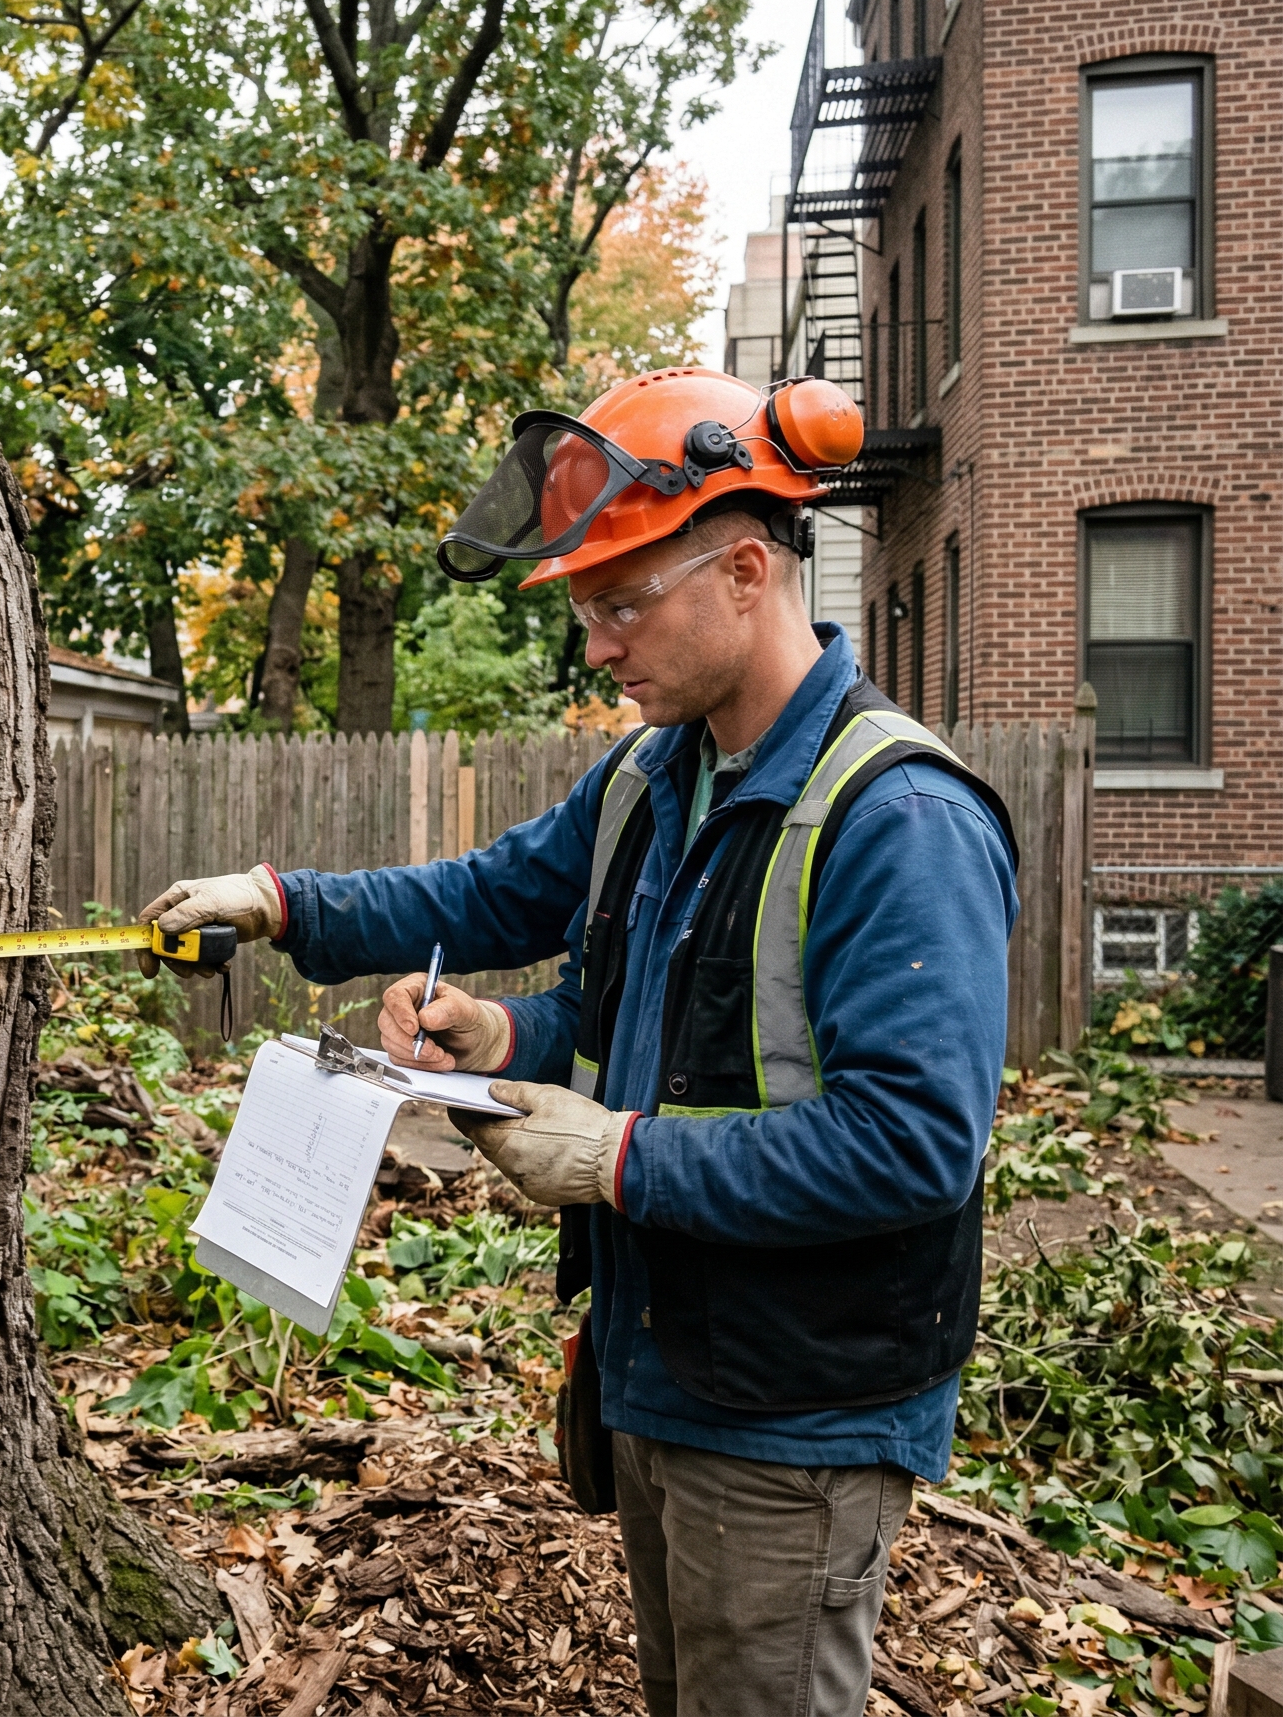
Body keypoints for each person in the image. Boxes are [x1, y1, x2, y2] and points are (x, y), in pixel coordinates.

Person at [140, 367, 1017, 1717]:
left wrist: (615, 1161)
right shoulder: (659, 774)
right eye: (582, 611)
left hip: (795, 1412)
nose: (597, 647)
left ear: (742, 570)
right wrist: (307, 920)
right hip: (662, 1365)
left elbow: (911, 1149)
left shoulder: (897, 819)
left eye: (619, 605)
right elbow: (518, 913)